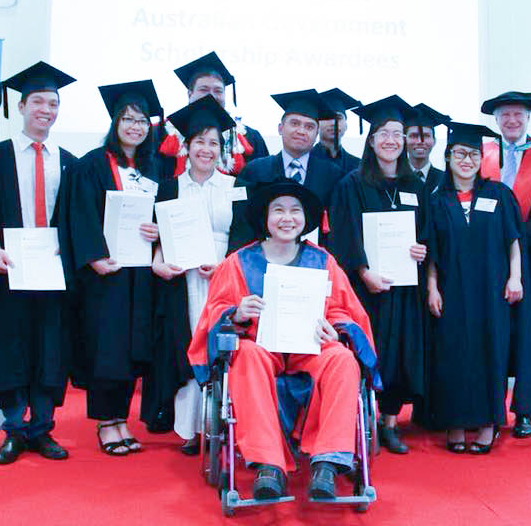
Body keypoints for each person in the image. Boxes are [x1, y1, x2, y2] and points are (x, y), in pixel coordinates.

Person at [187, 181, 379, 500]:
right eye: (278, 210)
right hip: (261, 347)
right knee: (245, 355)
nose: (286, 218)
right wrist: (237, 312)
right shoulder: (238, 262)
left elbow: (344, 310)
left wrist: (337, 328)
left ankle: (327, 464)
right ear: (265, 218)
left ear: (305, 219)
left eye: (295, 211)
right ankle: (268, 465)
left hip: (311, 348)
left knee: (343, 359)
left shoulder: (322, 260)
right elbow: (215, 312)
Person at [0, 62, 79, 465]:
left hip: (53, 273)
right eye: (38, 101)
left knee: (49, 350)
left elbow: (77, 219)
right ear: (21, 106)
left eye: (53, 103)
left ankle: (43, 429)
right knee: (11, 348)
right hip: (10, 268)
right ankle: (15, 429)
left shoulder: (69, 161)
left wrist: (66, 249)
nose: (46, 109)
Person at [420, 121, 531, 454]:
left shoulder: (499, 194)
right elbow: (432, 252)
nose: (467, 160)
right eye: (460, 153)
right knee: (453, 354)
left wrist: (515, 277)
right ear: (448, 156)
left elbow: (514, 239)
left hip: (492, 290)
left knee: (491, 351)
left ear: (481, 158)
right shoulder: (437, 200)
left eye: (473, 154)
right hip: (453, 291)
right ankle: (456, 424)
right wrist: (432, 288)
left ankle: (489, 423)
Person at [65, 80, 162, 455]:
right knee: (107, 347)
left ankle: (123, 419)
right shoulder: (90, 164)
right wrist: (93, 258)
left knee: (131, 346)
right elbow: (80, 214)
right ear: (115, 123)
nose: (135, 127)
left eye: (142, 121)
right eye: (128, 119)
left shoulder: (152, 167)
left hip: (139, 273)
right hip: (106, 272)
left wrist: (157, 232)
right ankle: (107, 423)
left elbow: (160, 216)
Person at [329, 95, 429, 454]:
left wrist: (422, 248)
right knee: (370, 350)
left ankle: (389, 423)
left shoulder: (415, 186)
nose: (391, 140)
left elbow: (425, 232)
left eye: (398, 133)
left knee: (401, 352)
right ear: (371, 140)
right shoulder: (352, 184)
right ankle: (363, 420)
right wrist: (363, 270)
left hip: (404, 288)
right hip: (366, 289)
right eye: (384, 133)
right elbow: (344, 233)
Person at [145, 97, 238, 455]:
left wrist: (225, 263)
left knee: (220, 349)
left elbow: (243, 236)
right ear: (186, 145)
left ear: (221, 149)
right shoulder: (168, 188)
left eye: (213, 142)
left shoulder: (234, 187)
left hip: (222, 276)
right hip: (181, 280)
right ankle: (190, 430)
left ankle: (221, 424)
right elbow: (159, 237)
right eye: (199, 141)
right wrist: (158, 262)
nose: (206, 149)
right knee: (186, 347)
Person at [479, 91, 531, 439]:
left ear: (529, 117)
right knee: (493, 332)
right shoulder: (484, 154)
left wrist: (519, 237)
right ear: (496, 121)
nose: (511, 121)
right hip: (491, 260)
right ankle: (492, 406)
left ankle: (525, 410)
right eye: (504, 116)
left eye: (517, 115)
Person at [228, 89, 344, 252]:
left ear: (316, 134)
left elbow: (337, 229)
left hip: (315, 265)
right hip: (263, 262)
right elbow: (242, 226)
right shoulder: (255, 171)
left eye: (309, 127)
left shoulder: (332, 175)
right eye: (295, 123)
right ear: (280, 128)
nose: (301, 131)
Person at [156, 51, 268, 180]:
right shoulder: (161, 134)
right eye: (204, 89)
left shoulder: (250, 138)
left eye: (218, 91)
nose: (212, 96)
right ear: (189, 94)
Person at [311, 87, 362, 175]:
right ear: (316, 125)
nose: (333, 123)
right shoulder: (303, 162)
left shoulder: (359, 166)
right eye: (327, 117)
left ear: (346, 126)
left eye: (338, 118)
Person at [405, 103, 449, 187]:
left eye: (426, 136)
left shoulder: (445, 182)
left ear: (434, 141)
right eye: (414, 135)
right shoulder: (394, 179)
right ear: (404, 140)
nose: (420, 141)